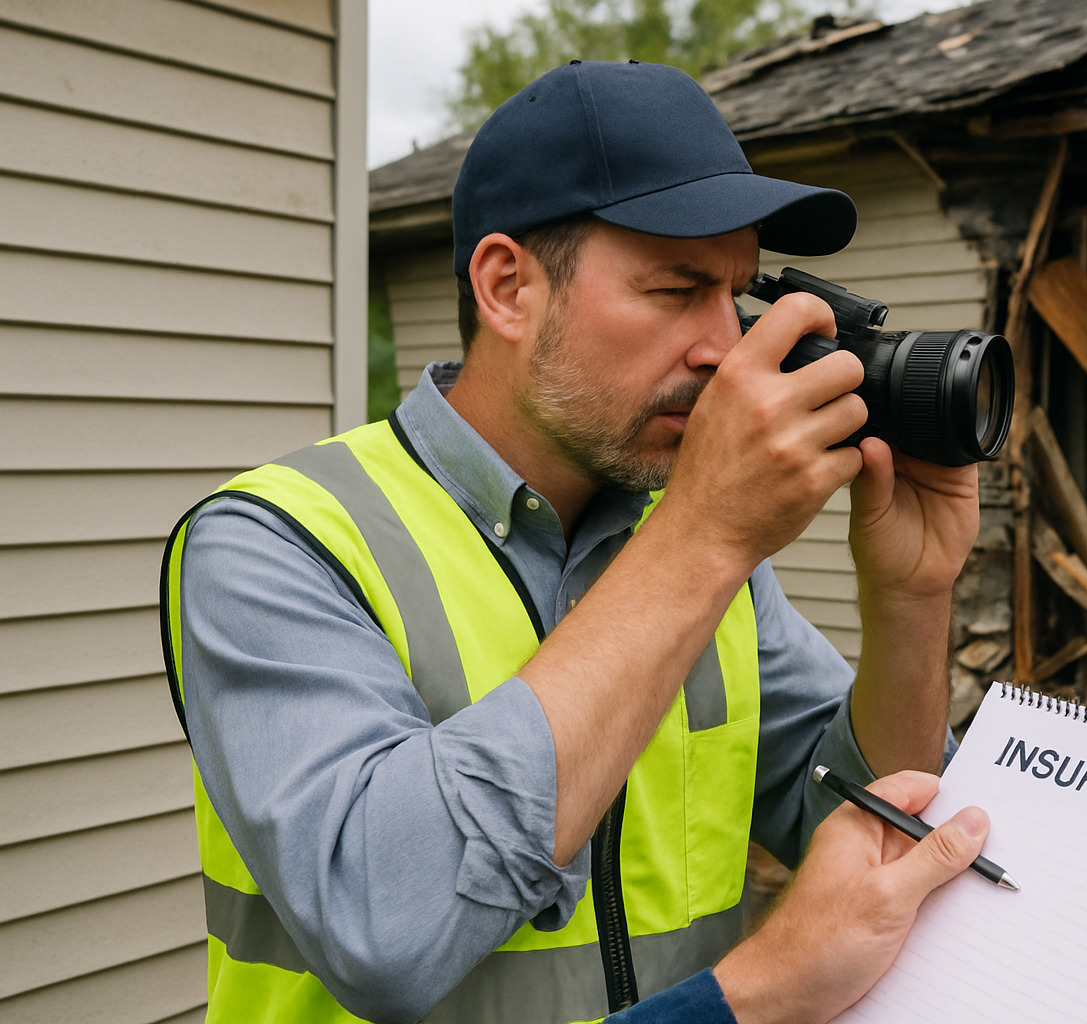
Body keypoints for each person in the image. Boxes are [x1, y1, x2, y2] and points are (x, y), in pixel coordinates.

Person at [160, 59, 986, 1024]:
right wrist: (707, 532)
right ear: (508, 287)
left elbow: (868, 819)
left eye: (736, 294)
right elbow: (385, 923)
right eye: (678, 289)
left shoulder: (685, 545)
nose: (724, 345)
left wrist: (911, 599)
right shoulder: (279, 543)